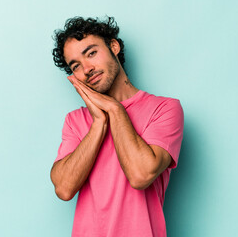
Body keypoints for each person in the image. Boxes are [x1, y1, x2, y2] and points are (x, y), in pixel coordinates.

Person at [50, 16, 184, 237]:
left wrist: (115, 110)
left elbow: (141, 174)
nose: (86, 69)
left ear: (113, 46)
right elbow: (63, 188)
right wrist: (99, 123)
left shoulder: (165, 109)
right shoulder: (75, 121)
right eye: (75, 65)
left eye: (91, 53)